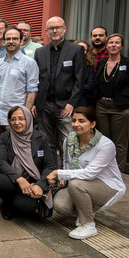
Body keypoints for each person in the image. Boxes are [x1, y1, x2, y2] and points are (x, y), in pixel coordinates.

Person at [47, 107, 126, 240]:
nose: (76, 124)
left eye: (82, 121)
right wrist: (63, 179)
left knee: (76, 185)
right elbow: (67, 163)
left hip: (108, 186)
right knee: (61, 206)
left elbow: (90, 174)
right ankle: (86, 209)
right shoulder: (69, 140)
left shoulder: (106, 145)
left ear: (93, 124)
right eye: (73, 120)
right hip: (81, 183)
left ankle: (88, 225)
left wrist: (58, 173)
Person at [0, 27, 39, 187]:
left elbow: (32, 91)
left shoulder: (29, 63)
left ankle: (14, 182)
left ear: (21, 41)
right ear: (3, 40)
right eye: (8, 39)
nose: (11, 41)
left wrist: (25, 116)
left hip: (15, 117)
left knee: (15, 152)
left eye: (15, 38)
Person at [33, 16, 86, 166]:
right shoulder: (40, 52)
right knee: (47, 142)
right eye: (51, 28)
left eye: (58, 27)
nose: (55, 31)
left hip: (65, 106)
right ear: (46, 31)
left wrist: (71, 103)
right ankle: (51, 172)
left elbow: (79, 79)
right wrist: (35, 102)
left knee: (68, 142)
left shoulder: (76, 50)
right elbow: (36, 79)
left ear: (64, 29)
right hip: (44, 105)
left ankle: (67, 173)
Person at [0, 106, 55, 220]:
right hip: (12, 180)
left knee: (24, 207)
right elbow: (1, 162)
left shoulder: (41, 138)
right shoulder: (6, 136)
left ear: (28, 119)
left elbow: (49, 165)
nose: (17, 122)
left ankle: (17, 201)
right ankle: (7, 203)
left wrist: (40, 185)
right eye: (13, 119)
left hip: (32, 181)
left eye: (21, 118)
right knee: (0, 181)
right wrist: (19, 179)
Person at [94, 33, 129, 171]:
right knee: (104, 142)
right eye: (111, 43)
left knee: (119, 144)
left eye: (117, 43)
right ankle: (104, 171)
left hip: (121, 108)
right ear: (107, 46)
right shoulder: (101, 63)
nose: (113, 45)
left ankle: (116, 174)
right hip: (102, 106)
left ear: (122, 46)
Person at [74, 39, 95, 106]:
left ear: (87, 52)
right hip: (63, 101)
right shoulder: (66, 64)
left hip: (81, 102)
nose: (81, 51)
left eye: (84, 49)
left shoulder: (89, 67)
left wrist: (72, 88)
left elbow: (89, 86)